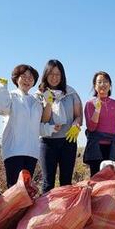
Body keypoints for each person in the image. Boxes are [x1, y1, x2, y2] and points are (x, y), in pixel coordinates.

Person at [0, 64, 51, 188]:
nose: (27, 80)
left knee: (26, 190)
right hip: (14, 150)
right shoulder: (11, 96)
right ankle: (13, 209)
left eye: (30, 78)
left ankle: (24, 209)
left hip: (31, 152)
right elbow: (1, 109)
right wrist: (2, 88)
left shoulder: (36, 102)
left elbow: (37, 128)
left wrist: (51, 128)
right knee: (15, 190)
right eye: (23, 76)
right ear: (16, 78)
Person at [37, 59, 83, 193]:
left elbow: (78, 115)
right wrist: (49, 104)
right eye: (51, 74)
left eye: (58, 74)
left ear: (62, 75)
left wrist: (76, 124)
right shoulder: (40, 94)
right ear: (45, 74)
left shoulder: (71, 93)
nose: (54, 77)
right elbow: (43, 120)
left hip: (68, 141)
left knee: (66, 181)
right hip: (47, 142)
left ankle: (65, 212)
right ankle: (46, 212)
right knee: (47, 182)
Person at [83, 71, 115, 176]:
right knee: (98, 180)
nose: (103, 84)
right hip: (97, 149)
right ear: (95, 86)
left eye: (106, 81)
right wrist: (97, 110)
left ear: (110, 85)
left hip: (114, 147)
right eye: (99, 82)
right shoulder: (90, 104)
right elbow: (91, 128)